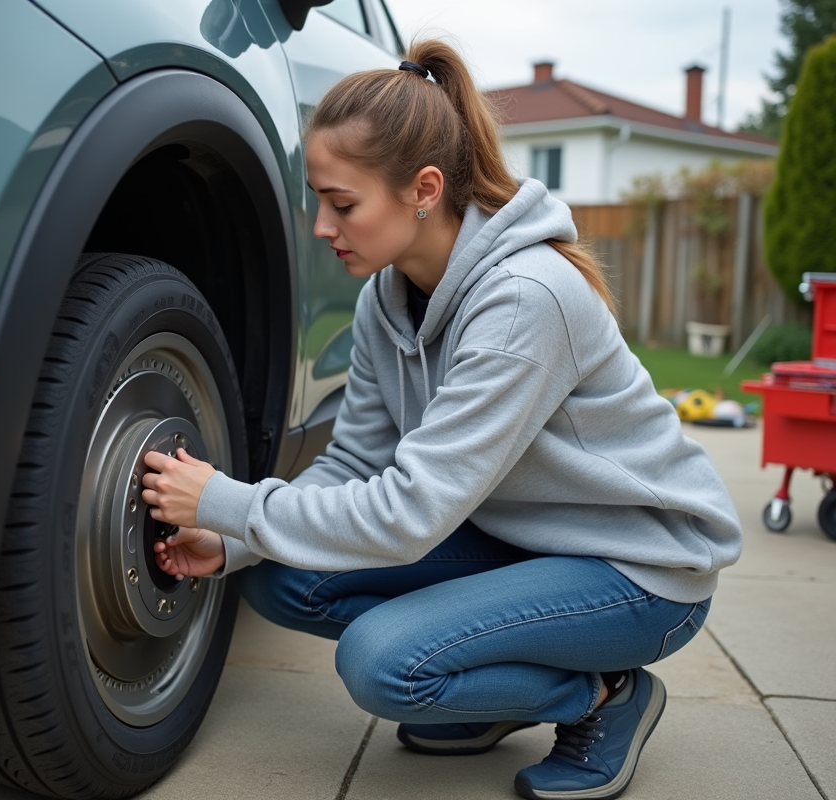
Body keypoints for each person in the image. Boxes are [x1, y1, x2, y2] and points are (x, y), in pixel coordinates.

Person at [140, 39, 741, 800]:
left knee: (382, 662)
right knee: (281, 577)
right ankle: (491, 686)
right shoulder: (383, 301)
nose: (323, 226)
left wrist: (226, 497)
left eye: (343, 203)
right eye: (319, 200)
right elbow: (354, 462)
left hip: (637, 568)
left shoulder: (525, 299)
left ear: (423, 188)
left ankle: (605, 697)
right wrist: (231, 536)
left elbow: (413, 511)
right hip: (522, 538)